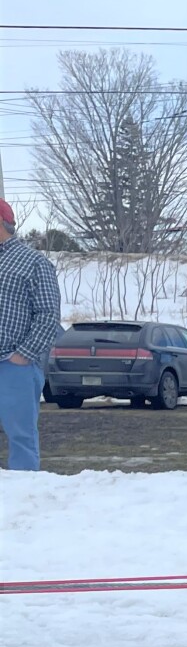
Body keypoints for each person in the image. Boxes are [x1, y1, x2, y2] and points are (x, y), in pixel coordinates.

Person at [0, 198, 61, 471]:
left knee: (21, 436)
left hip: (13, 367)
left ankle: (24, 497)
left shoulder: (33, 262)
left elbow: (49, 316)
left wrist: (23, 356)